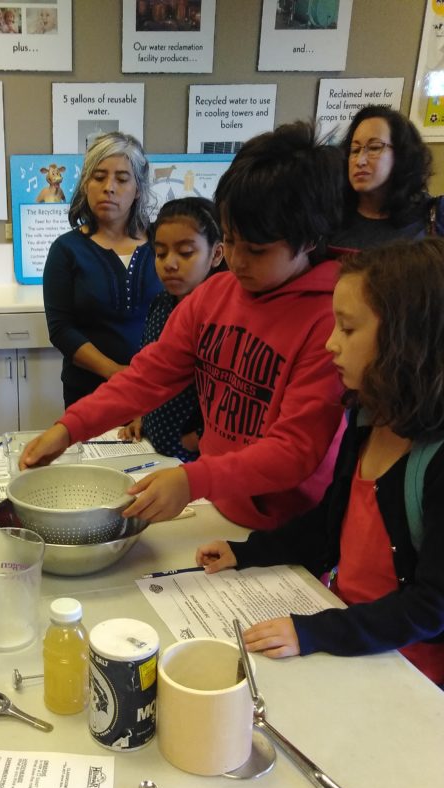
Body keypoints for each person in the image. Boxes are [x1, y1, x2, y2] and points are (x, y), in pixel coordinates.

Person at [22, 122, 345, 532]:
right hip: (218, 505)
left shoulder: (331, 320)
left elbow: (296, 450)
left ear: (309, 239)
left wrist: (193, 479)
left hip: (287, 530)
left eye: (257, 250)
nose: (237, 261)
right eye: (231, 241)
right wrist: (70, 428)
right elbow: (147, 376)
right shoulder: (214, 297)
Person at [196, 239, 444, 686]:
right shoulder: (368, 417)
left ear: (407, 339)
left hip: (406, 667)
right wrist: (248, 552)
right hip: (350, 631)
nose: (330, 344)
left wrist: (314, 631)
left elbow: (430, 607)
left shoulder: (436, 461)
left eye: (348, 330)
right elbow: (332, 519)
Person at [42, 131, 161, 407]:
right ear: (86, 184)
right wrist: (115, 372)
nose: (109, 187)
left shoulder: (163, 243)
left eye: (122, 179)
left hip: (157, 391)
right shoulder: (66, 250)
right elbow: (61, 329)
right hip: (88, 394)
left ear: (138, 188)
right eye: (99, 177)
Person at [117, 196, 224, 461]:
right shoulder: (161, 304)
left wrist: (197, 436)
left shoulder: (221, 316)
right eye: (161, 253)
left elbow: (223, 395)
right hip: (152, 450)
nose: (169, 264)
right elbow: (149, 371)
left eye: (186, 253)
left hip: (195, 460)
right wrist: (140, 416)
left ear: (217, 254)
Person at [330, 105, 443, 253]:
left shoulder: (434, 215)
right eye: (355, 150)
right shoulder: (330, 216)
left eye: (374, 148)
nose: (360, 161)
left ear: (402, 155)